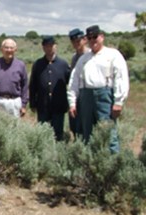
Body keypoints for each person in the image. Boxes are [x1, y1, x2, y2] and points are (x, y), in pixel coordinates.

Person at [67, 25, 130, 153]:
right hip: (86, 97)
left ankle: (112, 165)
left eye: (95, 37)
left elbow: (121, 77)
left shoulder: (113, 55)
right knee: (87, 134)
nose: (92, 40)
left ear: (101, 37)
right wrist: (72, 102)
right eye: (89, 38)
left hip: (104, 96)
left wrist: (118, 102)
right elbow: (74, 81)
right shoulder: (83, 59)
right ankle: (90, 165)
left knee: (108, 132)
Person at [29, 36, 71, 141]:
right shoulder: (38, 64)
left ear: (55, 46)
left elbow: (70, 83)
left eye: (51, 46)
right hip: (43, 105)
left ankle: (57, 155)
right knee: (43, 134)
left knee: (58, 134)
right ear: (43, 47)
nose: (49, 48)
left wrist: (70, 103)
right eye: (46, 46)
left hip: (59, 105)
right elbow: (33, 85)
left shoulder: (63, 64)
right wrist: (32, 103)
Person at [0, 38, 28, 117]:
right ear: (1, 49)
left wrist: (23, 105)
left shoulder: (20, 65)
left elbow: (25, 86)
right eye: (6, 47)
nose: (9, 50)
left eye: (11, 48)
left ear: (15, 49)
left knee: (13, 128)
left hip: (14, 102)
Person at [67, 28, 90, 136]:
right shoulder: (74, 58)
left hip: (88, 95)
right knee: (75, 126)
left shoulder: (90, 55)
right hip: (76, 96)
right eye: (73, 42)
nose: (76, 44)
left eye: (78, 41)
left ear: (84, 40)